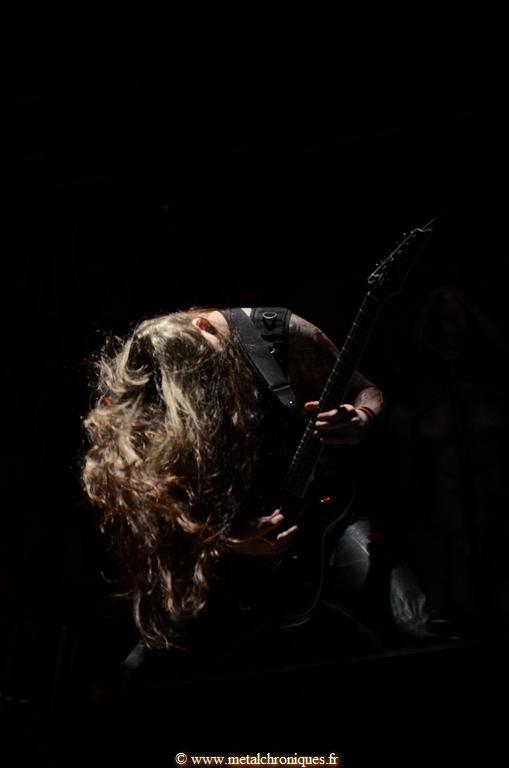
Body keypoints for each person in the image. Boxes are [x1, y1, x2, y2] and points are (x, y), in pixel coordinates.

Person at [81, 305, 449, 679]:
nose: (198, 385)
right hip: (227, 552)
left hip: (325, 522)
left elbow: (367, 391)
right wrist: (226, 538)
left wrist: (360, 418)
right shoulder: (148, 374)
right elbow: (141, 492)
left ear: (204, 327)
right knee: (141, 674)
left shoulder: (277, 330)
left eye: (201, 370)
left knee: (420, 635)